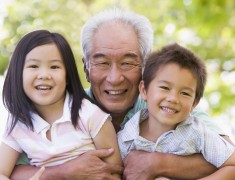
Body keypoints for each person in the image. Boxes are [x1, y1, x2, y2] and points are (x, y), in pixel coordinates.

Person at [10, 8, 231, 179]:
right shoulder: (61, 109)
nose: (115, 78)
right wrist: (61, 173)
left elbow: (228, 154)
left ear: (145, 68)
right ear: (86, 68)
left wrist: (159, 163)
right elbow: (10, 170)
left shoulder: (168, 107)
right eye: (102, 63)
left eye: (127, 63)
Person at [0, 30, 122, 179]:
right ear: (17, 74)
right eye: (33, 66)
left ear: (68, 76)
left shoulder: (90, 115)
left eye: (54, 67)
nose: (44, 75)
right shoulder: (18, 125)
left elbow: (115, 172)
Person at [118, 43, 235, 179]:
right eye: (165, 88)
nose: (173, 98)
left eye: (184, 93)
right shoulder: (126, 137)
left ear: (195, 103)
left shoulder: (197, 133)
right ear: (144, 90)